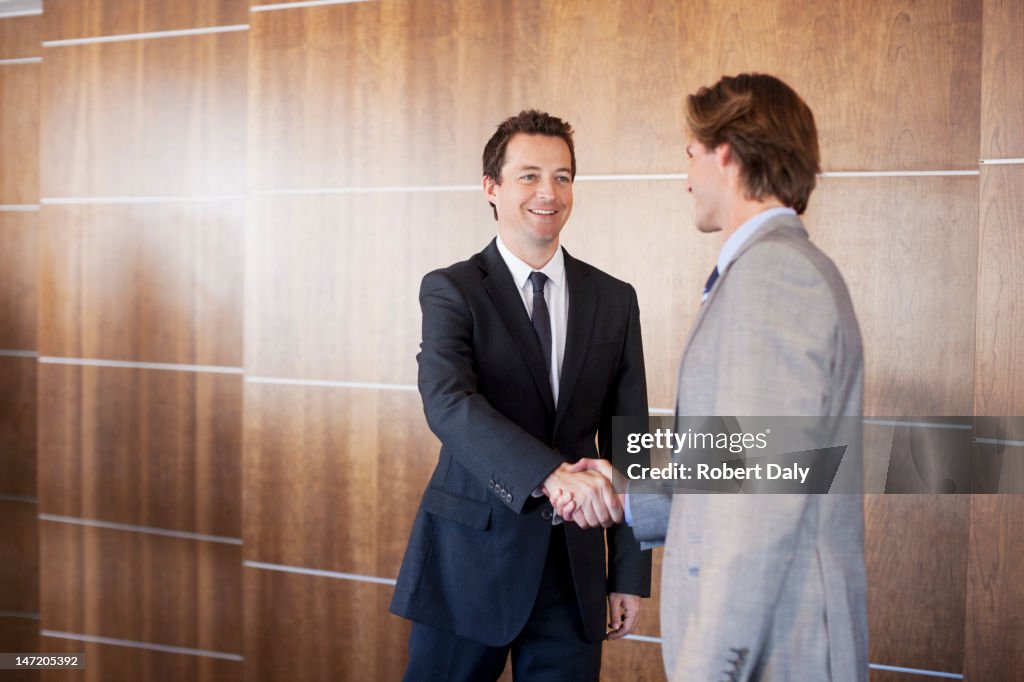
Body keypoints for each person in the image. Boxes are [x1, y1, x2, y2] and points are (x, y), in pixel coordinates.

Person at [559, 74, 869, 681]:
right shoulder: (767, 270)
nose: (687, 178)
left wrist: (709, 669)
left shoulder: (776, 277)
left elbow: (759, 507)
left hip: (767, 651)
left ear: (726, 152)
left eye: (692, 154)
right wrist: (630, 493)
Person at [389, 109, 652, 682]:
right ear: (492, 187)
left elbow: (631, 436)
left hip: (574, 572)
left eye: (562, 176)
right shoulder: (451, 289)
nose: (548, 192)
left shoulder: (614, 299)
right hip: (467, 565)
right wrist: (548, 474)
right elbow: (448, 402)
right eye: (529, 175)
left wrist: (628, 571)